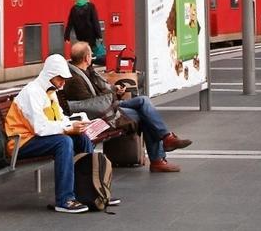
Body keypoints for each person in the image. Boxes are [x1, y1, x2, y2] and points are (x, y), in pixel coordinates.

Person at [5, 54, 120, 213]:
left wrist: (76, 124)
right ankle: (64, 199)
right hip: (21, 142)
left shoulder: (50, 92)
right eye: (61, 79)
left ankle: (93, 190)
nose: (63, 84)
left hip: (35, 138)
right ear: (50, 76)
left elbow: (59, 118)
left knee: (81, 137)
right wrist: (67, 128)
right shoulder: (32, 93)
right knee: (64, 142)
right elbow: (40, 128)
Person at [61, 42, 191, 173]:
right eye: (91, 55)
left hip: (108, 106)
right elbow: (90, 105)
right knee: (144, 113)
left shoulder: (86, 71)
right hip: (102, 114)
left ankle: (165, 142)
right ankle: (160, 155)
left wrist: (113, 89)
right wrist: (111, 96)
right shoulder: (74, 80)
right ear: (87, 57)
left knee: (143, 102)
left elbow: (98, 95)